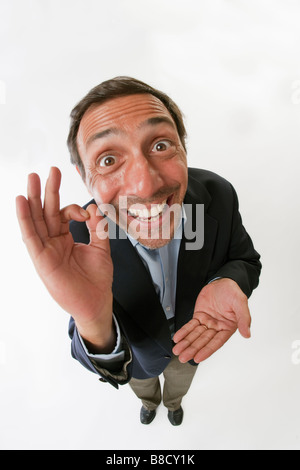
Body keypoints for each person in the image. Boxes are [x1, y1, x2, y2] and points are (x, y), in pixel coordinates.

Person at [16, 76, 262, 426]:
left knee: (178, 384)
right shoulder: (77, 237)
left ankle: (174, 405)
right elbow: (86, 343)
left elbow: (245, 259)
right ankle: (150, 403)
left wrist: (229, 280)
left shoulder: (218, 195)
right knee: (144, 385)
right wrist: (93, 321)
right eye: (108, 159)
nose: (145, 184)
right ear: (85, 177)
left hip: (195, 343)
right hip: (136, 359)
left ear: (184, 148)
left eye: (161, 145)